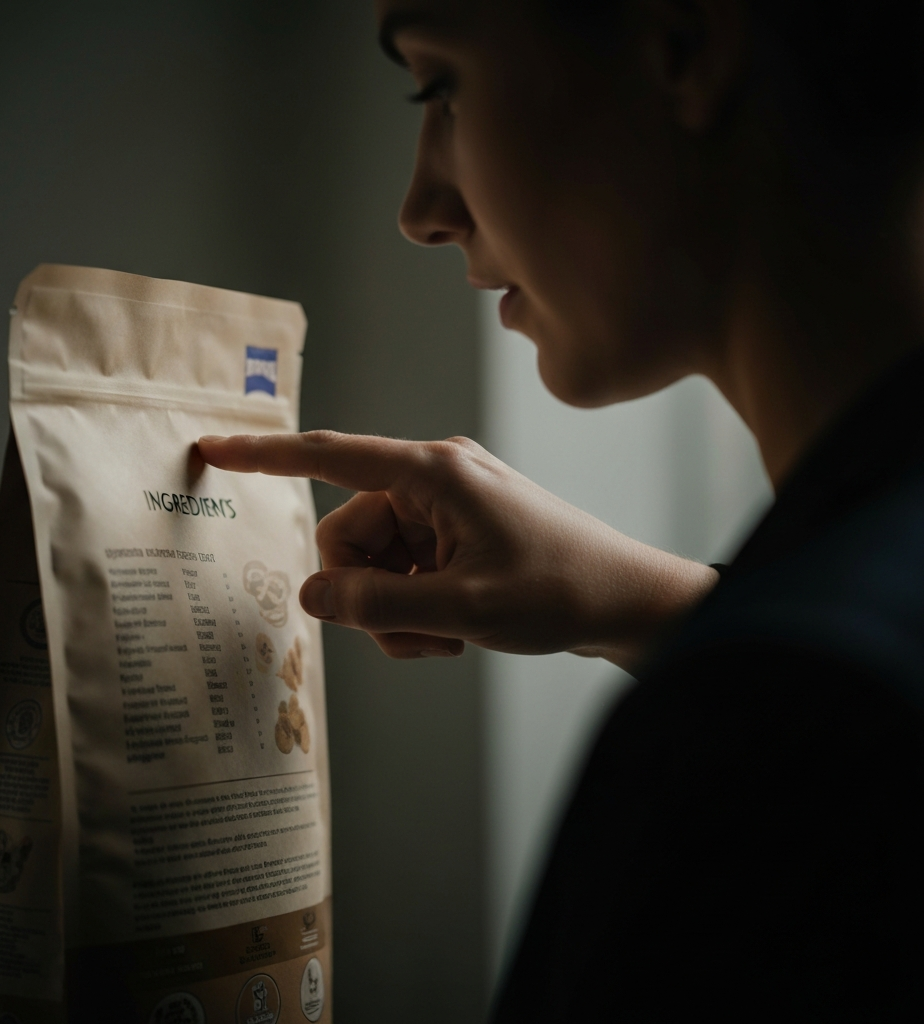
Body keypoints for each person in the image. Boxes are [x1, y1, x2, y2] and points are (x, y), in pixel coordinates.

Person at [200, 0, 924, 1017]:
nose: (420, 207)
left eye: (440, 84)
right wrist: (661, 614)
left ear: (685, 46)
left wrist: (739, 687)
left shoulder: (766, 762)